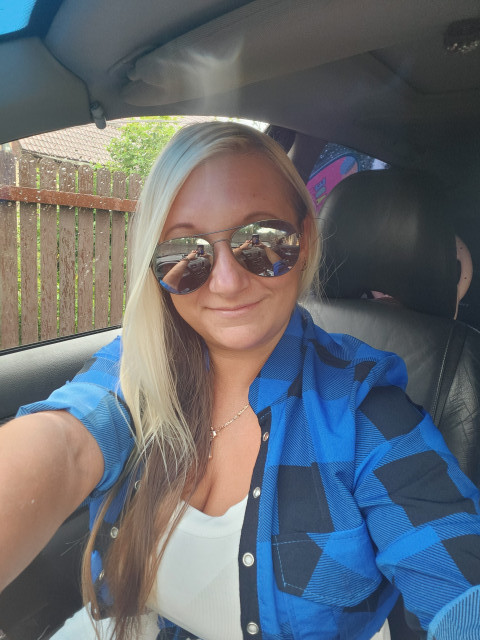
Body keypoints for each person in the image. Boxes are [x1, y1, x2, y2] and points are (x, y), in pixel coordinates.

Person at [2, 122, 480, 640]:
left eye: (262, 241)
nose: (227, 282)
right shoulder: (140, 366)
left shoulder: (365, 412)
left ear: (305, 239)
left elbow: (460, 591)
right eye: (187, 253)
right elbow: (66, 445)